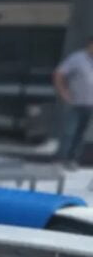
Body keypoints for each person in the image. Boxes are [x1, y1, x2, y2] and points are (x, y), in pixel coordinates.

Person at [52, 36, 93, 170]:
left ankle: (72, 159)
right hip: (75, 103)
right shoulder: (77, 58)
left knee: (81, 134)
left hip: (90, 104)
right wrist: (63, 92)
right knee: (69, 132)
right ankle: (60, 159)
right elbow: (59, 73)